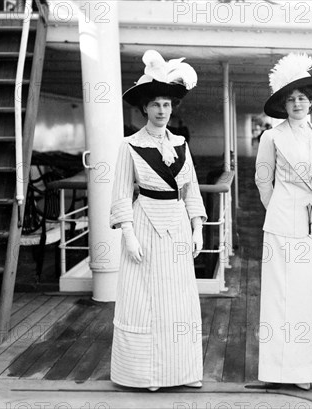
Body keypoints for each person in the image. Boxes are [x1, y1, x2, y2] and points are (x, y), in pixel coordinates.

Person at [109, 50, 206, 391]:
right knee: (148, 299)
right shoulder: (130, 145)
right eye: (155, 105)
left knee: (179, 298)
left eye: (166, 104)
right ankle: (150, 375)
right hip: (146, 223)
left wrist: (197, 226)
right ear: (145, 109)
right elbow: (121, 193)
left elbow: (190, 188)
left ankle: (184, 372)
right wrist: (128, 234)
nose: (162, 111)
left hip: (177, 224)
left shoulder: (181, 144)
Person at [255, 53, 312, 390]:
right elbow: (263, 181)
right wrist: (281, 208)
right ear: (283, 104)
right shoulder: (272, 138)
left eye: (303, 97)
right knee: (281, 296)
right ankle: (280, 370)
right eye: (291, 98)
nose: (298, 103)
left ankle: (307, 370)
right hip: (282, 223)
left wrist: (308, 206)